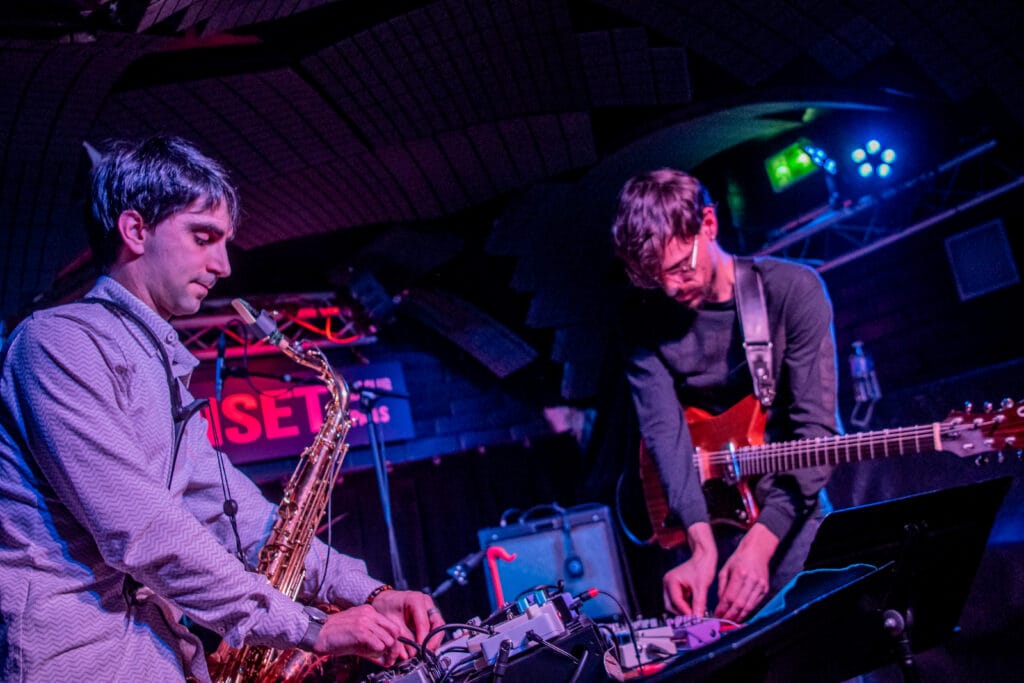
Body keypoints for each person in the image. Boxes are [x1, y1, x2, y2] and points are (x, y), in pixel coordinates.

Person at [0, 135, 442, 682]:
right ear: (135, 230)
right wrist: (309, 628)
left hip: (152, 657)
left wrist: (370, 592)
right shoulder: (56, 345)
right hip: (73, 663)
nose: (224, 265)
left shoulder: (161, 370)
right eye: (203, 236)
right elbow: (141, 531)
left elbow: (253, 527)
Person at [611, 168, 838, 623]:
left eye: (679, 268)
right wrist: (700, 547)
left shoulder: (792, 292)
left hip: (790, 513)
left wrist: (763, 540)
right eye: (657, 280)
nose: (672, 289)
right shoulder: (641, 324)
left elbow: (815, 435)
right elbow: (665, 438)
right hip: (705, 520)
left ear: (708, 225)